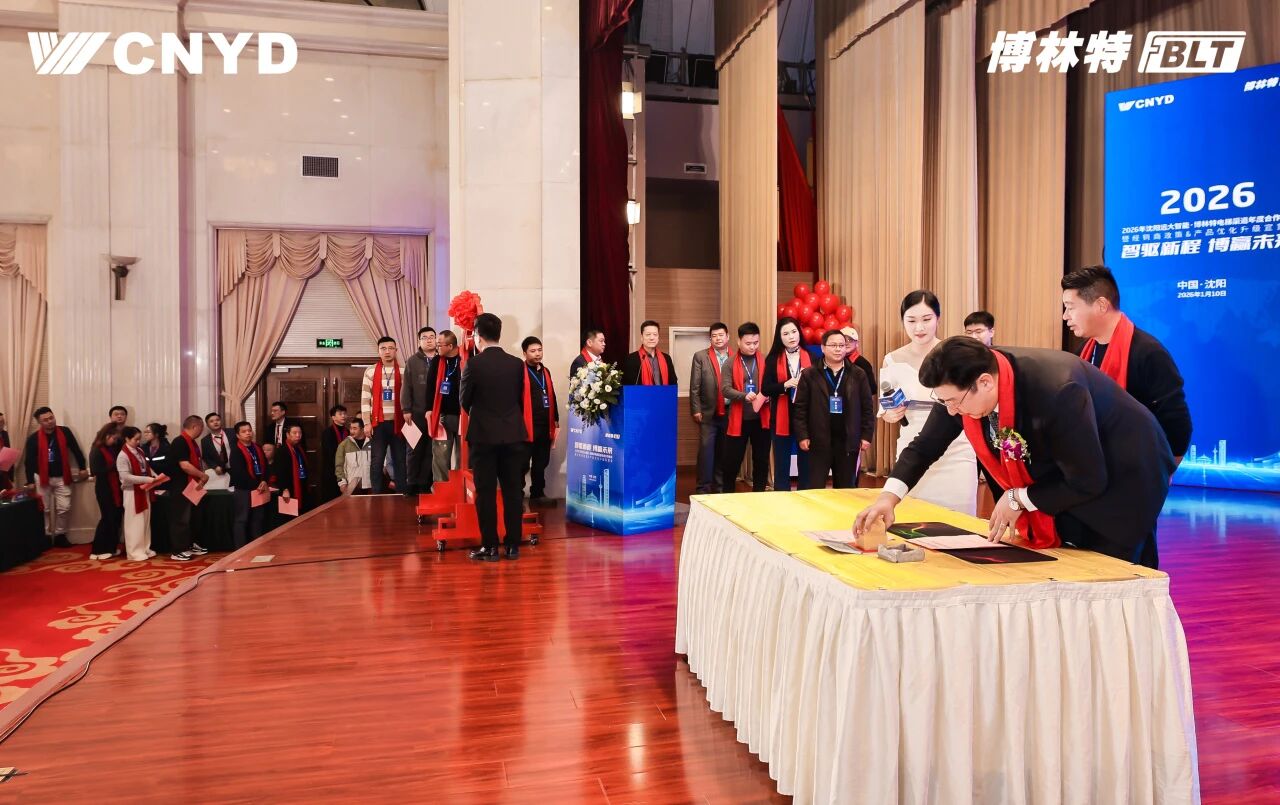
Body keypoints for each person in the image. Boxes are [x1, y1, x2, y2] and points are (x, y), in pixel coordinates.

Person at [854, 337, 1175, 568]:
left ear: (985, 383)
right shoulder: (960, 386)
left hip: (1127, 475)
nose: (950, 411)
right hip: (1069, 472)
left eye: (953, 402)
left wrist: (1017, 497)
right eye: (944, 401)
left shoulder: (1057, 391)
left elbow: (1088, 478)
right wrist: (888, 498)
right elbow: (924, 446)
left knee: (1112, 574)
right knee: (1065, 564)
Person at [1062, 265, 1191, 463]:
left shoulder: (1148, 353)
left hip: (1138, 467)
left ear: (1101, 305)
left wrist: (1161, 473)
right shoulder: (1084, 352)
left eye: (1071, 307)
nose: (1065, 316)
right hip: (1097, 466)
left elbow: (1177, 422)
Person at [879, 291, 978, 515]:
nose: (919, 328)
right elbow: (885, 408)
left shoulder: (954, 354)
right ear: (903, 321)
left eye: (926, 319)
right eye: (911, 321)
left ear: (938, 319)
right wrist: (890, 414)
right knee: (912, 517)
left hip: (956, 447)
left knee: (959, 518)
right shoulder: (892, 359)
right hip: (912, 445)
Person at [460, 312, 530, 561]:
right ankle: (512, 546)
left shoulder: (474, 364)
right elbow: (521, 398)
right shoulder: (516, 364)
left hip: (484, 436)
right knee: (513, 492)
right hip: (513, 435)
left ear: (478, 336)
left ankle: (490, 547)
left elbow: (464, 400)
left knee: (486, 493)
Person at [794, 330, 875, 489]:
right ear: (823, 348)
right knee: (815, 489)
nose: (838, 349)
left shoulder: (858, 374)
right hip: (817, 441)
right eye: (833, 345)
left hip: (847, 441)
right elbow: (800, 408)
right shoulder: (810, 374)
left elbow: (867, 407)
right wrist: (802, 435)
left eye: (841, 345)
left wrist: (866, 435)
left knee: (845, 490)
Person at [23, 407, 88, 545]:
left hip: (62, 476)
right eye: (45, 420)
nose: (50, 421)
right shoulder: (33, 438)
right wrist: (29, 481)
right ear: (39, 422)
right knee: (44, 509)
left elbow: (76, 450)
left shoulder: (65, 432)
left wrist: (82, 468)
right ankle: (45, 536)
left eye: (51, 418)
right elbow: (29, 461)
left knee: (64, 507)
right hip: (41, 477)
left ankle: (60, 535)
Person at [720, 322, 771, 492]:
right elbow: (725, 389)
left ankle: (758, 496)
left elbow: (771, 385)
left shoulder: (765, 360)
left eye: (756, 343)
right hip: (739, 420)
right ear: (738, 341)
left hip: (761, 420)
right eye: (748, 343)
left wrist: (767, 395)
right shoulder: (729, 363)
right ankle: (728, 497)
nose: (752, 347)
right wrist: (744, 396)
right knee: (731, 463)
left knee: (761, 461)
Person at [762, 317, 812, 490]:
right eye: (785, 333)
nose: (791, 336)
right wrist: (786, 384)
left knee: (806, 463)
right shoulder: (772, 359)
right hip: (781, 417)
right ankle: (781, 498)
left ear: (799, 333)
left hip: (806, 417)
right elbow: (766, 389)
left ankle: (805, 497)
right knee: (782, 464)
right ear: (779, 337)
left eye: (794, 332)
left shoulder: (812, 356)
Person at [689, 322, 731, 494]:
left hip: (729, 412)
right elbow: (694, 386)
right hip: (708, 413)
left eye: (721, 335)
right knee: (706, 452)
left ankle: (720, 488)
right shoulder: (701, 356)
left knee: (724, 452)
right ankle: (703, 489)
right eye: (714, 336)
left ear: (727, 337)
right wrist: (696, 409)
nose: (718, 338)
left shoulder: (735, 357)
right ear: (710, 339)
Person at [361, 336, 406, 493]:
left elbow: (408, 397)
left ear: (396, 350)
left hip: (399, 423)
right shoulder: (370, 371)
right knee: (377, 460)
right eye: (383, 348)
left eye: (391, 348)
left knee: (400, 460)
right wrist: (366, 422)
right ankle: (376, 494)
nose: (387, 351)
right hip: (378, 423)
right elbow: (365, 398)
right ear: (378, 351)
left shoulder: (404, 370)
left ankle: (402, 493)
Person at [521, 336, 559, 503]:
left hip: (545, 425)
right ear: (525, 353)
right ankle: (517, 494)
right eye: (533, 351)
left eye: (539, 350)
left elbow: (552, 396)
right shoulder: (520, 372)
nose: (537, 354)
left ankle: (537, 493)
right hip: (527, 425)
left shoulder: (545, 371)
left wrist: (555, 418)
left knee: (541, 462)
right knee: (522, 463)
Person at [401, 326, 438, 496]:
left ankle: (424, 483)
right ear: (419, 341)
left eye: (432, 337)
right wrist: (406, 409)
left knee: (431, 450)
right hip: (415, 413)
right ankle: (411, 483)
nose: (429, 340)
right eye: (425, 337)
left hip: (436, 414)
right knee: (413, 450)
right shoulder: (412, 361)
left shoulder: (441, 359)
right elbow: (406, 387)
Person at [166, 415, 209, 561]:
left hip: (192, 485)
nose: (202, 431)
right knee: (181, 519)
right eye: (201, 427)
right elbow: (184, 465)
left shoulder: (192, 442)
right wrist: (202, 475)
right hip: (181, 486)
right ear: (195, 426)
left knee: (194, 518)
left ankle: (190, 545)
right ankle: (178, 550)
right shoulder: (180, 441)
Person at [425, 330, 463, 487]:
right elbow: (430, 387)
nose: (437, 347)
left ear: (451, 346)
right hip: (442, 416)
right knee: (440, 455)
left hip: (463, 417)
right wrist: (429, 410)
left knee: (463, 456)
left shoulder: (466, 359)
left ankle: (461, 488)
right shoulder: (436, 361)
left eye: (440, 345)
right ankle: (441, 488)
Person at [116, 426, 158, 561]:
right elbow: (125, 477)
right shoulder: (122, 455)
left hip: (144, 489)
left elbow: (146, 467)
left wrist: (155, 476)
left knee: (145, 521)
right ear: (127, 439)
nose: (139, 442)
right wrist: (148, 479)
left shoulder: (139, 451)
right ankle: (134, 552)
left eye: (139, 439)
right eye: (136, 439)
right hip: (131, 492)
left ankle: (145, 547)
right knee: (134, 523)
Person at [228, 421, 270, 548]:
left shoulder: (257, 447)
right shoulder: (236, 450)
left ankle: (257, 546)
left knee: (257, 519)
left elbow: (266, 466)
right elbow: (239, 473)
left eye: (249, 430)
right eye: (244, 431)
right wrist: (257, 484)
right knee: (242, 519)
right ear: (238, 435)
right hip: (244, 489)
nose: (248, 433)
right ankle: (240, 549)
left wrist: (264, 481)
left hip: (259, 488)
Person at [89, 422, 124, 560]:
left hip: (115, 487)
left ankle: (111, 547)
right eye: (114, 438)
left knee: (115, 519)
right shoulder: (97, 450)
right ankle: (98, 550)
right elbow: (96, 471)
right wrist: (114, 466)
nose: (115, 441)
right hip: (104, 489)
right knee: (107, 518)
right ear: (107, 436)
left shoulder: (111, 448)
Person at [623, 320, 677, 385]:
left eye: (655, 334)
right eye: (648, 334)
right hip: (641, 392)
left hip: (663, 392)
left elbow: (673, 383)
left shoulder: (667, 358)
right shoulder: (631, 359)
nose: (652, 338)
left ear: (658, 338)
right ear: (641, 337)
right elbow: (629, 385)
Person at [275, 423, 311, 517]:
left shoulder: (300, 448)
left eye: (300, 433)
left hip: (302, 483)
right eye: (294, 433)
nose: (298, 435)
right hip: (290, 487)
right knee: (290, 517)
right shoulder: (282, 450)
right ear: (287, 434)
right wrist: (285, 489)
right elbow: (280, 472)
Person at [319, 404, 348, 503]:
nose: (343, 416)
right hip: (331, 470)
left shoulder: (348, 431)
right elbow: (329, 453)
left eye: (344, 413)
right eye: (340, 414)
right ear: (333, 417)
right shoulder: (327, 432)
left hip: (346, 470)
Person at [335, 418, 373, 494]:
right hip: (352, 487)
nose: (352, 431)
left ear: (362, 429)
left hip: (371, 486)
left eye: (355, 428)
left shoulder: (373, 442)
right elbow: (339, 466)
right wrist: (342, 483)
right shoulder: (344, 445)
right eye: (351, 428)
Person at [841, 326, 876, 393]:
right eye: (843, 340)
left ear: (857, 343)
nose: (846, 343)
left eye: (850, 340)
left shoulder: (863, 364)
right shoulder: (835, 362)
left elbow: (872, 389)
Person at [201, 412, 232, 488]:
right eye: (211, 421)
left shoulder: (232, 432)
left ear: (221, 421)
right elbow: (206, 457)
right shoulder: (205, 440)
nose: (215, 422)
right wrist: (214, 467)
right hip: (221, 471)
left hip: (237, 468)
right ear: (207, 425)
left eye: (217, 420)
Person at [0, 411, 13, 490]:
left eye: (3, 422)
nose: (2, 424)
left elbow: (8, 453)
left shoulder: (5, 434)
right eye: (0, 422)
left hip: (4, 473)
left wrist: (11, 477)